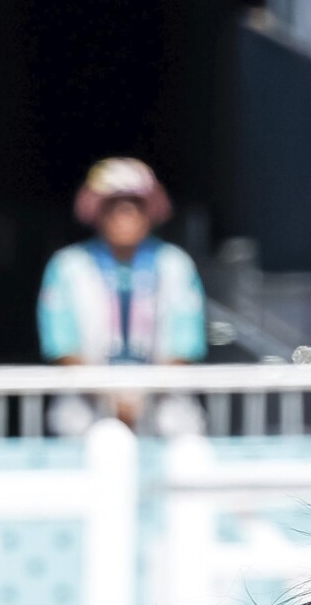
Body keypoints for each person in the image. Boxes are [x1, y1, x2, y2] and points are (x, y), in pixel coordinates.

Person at [37, 160, 208, 435]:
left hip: (166, 412)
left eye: (135, 203)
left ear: (150, 211)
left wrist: (142, 398)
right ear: (96, 211)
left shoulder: (176, 264)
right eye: (113, 204)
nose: (124, 213)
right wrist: (109, 399)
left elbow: (185, 343)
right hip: (85, 412)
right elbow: (61, 343)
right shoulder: (68, 266)